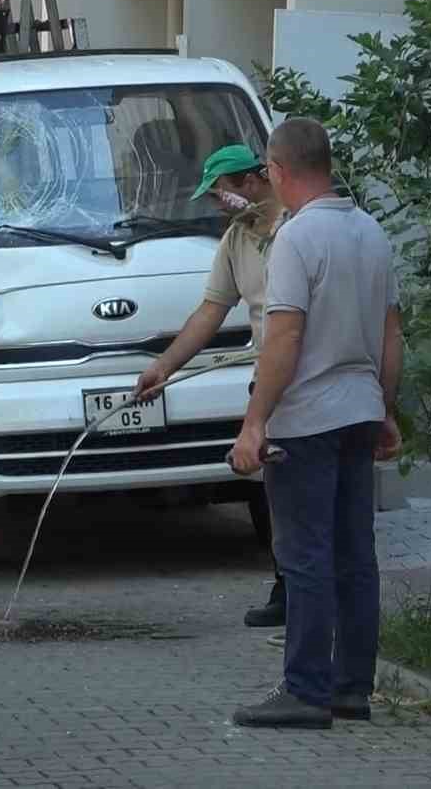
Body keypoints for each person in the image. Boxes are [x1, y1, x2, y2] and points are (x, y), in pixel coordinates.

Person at [228, 117, 403, 730]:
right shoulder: (372, 233)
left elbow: (285, 337)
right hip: (359, 410)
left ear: (277, 171)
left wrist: (255, 422)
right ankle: (352, 689)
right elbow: (390, 333)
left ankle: (304, 690)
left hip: (306, 420)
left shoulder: (298, 240)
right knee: (357, 557)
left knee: (305, 557)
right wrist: (384, 407)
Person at [134, 143, 289, 628]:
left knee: (306, 491)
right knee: (277, 490)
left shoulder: (298, 228)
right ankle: (287, 586)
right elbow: (210, 311)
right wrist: (166, 366)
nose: (217, 205)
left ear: (251, 181)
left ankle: (317, 595)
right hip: (267, 377)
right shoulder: (236, 240)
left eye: (221, 193)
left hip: (303, 372)